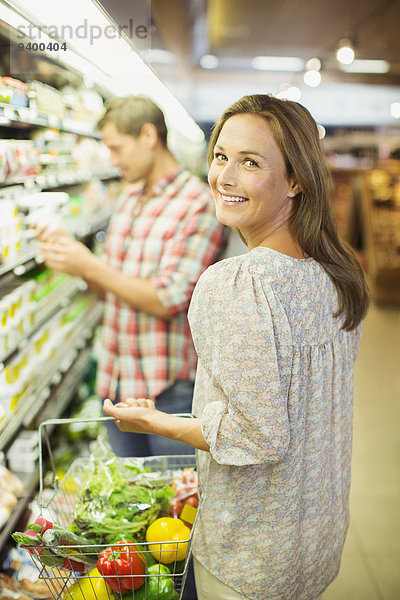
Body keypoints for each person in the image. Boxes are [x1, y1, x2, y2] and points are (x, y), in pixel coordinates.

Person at [103, 93, 370, 600]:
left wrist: (154, 422)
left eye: (250, 162)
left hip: (251, 553)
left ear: (295, 180)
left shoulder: (236, 285)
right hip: (314, 535)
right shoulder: (336, 274)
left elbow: (258, 437)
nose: (225, 176)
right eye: (221, 156)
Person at [34, 95, 227, 458]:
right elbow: (111, 286)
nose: (112, 160)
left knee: (172, 501)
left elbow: (167, 299)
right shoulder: (129, 196)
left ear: (148, 136)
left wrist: (90, 265)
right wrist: (72, 260)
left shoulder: (196, 204)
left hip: (166, 387)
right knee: (129, 495)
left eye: (117, 148)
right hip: (117, 381)